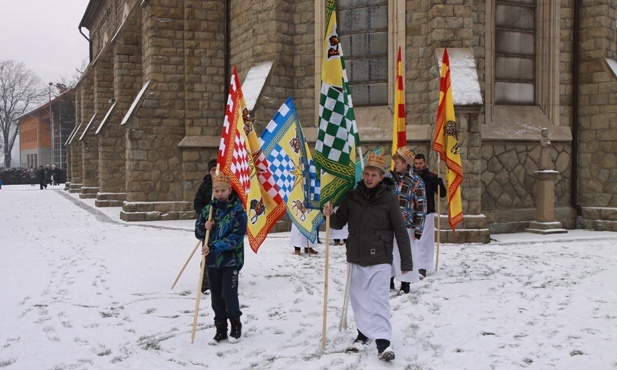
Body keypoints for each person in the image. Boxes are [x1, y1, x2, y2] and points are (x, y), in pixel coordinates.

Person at [323, 152, 412, 362]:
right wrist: (328, 213)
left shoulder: (389, 198)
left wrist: (406, 262)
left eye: (374, 174)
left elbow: (400, 230)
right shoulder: (351, 196)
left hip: (380, 258)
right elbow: (338, 223)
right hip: (355, 256)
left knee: (378, 299)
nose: (369, 178)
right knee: (359, 299)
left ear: (382, 177)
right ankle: (363, 333)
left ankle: (383, 341)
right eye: (366, 173)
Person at [195, 173, 247, 344]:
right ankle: (220, 328)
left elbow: (236, 238)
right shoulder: (208, 210)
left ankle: (235, 325)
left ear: (229, 190)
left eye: (223, 190)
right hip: (211, 260)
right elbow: (198, 233)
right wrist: (204, 226)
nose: (220, 194)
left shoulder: (237, 210)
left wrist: (214, 246)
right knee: (216, 296)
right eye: (216, 190)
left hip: (230, 260)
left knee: (228, 293)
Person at [387, 147, 427, 294]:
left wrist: (419, 227)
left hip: (407, 224)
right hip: (389, 224)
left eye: (397, 162)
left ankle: (406, 282)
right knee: (388, 252)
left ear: (405, 163)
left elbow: (421, 205)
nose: (395, 165)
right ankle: (388, 279)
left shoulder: (416, 181)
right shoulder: (390, 180)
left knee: (406, 253)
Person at [413, 153, 446, 278]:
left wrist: (440, 183)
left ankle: (423, 266)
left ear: (424, 163)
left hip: (427, 212)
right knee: (414, 240)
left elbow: (442, 194)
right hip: (414, 212)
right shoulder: (411, 177)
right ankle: (414, 264)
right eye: (416, 163)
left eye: (420, 163)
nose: (418, 166)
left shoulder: (432, 177)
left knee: (425, 240)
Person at [194, 158, 217, 293]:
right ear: (209, 171)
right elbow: (197, 204)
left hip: (221, 225)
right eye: (213, 169)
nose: (215, 172)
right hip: (207, 226)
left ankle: (220, 280)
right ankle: (205, 283)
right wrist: (205, 215)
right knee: (207, 253)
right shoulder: (204, 186)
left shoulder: (224, 185)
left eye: (217, 169)